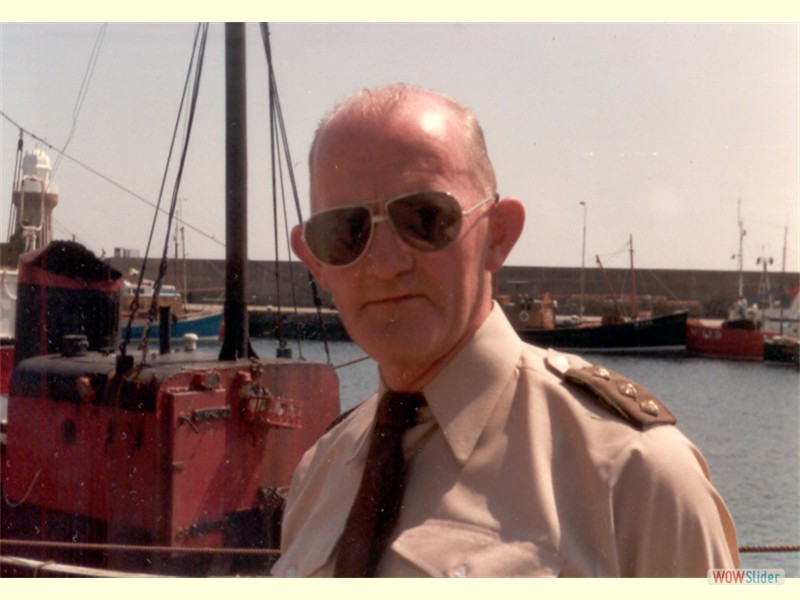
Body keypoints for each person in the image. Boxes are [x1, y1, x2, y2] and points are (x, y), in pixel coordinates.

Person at [270, 83, 739, 577]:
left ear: (498, 235)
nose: (386, 263)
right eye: (347, 232)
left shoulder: (634, 475)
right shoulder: (320, 471)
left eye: (425, 219)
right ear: (315, 262)